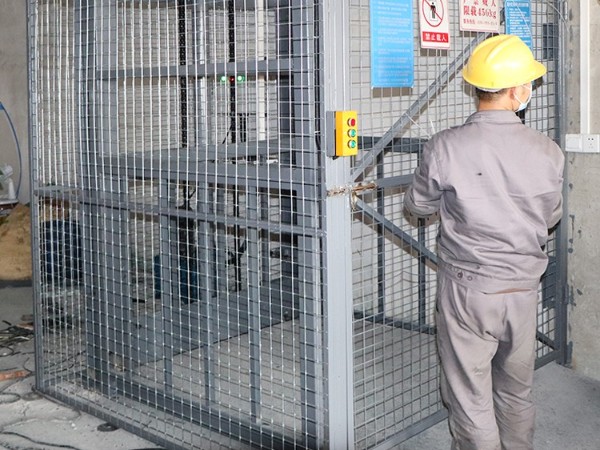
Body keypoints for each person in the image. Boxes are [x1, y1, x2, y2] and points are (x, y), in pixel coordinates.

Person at [403, 34, 564, 450]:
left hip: (467, 290)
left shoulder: (445, 146)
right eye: (528, 82)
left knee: (469, 396)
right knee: (516, 390)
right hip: (522, 289)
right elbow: (551, 217)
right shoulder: (548, 151)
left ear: (476, 87)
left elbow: (418, 206)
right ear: (516, 90)